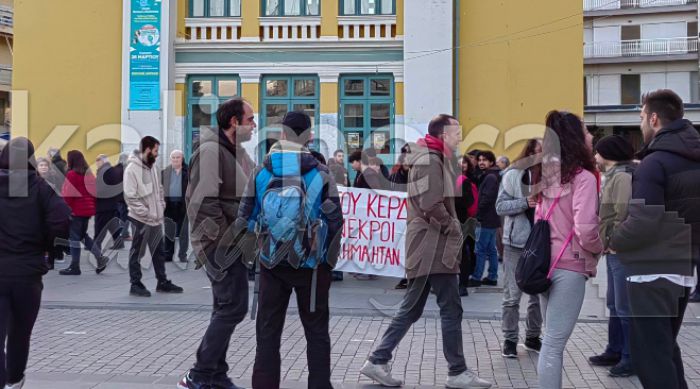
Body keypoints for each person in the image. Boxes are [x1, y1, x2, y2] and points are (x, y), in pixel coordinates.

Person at [360, 114, 492, 389]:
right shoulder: (431, 160)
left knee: (412, 309)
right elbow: (431, 204)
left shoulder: (432, 157)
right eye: (457, 132)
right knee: (450, 308)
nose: (460, 137)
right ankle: (457, 371)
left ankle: (377, 359)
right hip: (434, 247)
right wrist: (453, 227)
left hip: (429, 245)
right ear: (444, 135)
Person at [236, 111, 344, 389]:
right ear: (309, 136)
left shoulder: (261, 172)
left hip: (271, 263)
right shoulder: (321, 173)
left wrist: (255, 255)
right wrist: (327, 263)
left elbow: (245, 219)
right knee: (317, 332)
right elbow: (335, 221)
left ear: (282, 134)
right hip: (311, 266)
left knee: (267, 333)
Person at [610, 89, 700, 389]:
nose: (640, 126)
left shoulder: (655, 161)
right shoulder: (692, 157)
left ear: (654, 118)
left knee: (651, 358)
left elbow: (644, 221)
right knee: (664, 351)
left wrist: (615, 240)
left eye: (640, 119)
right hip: (683, 271)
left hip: (652, 272)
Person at [179, 97, 256, 389]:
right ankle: (199, 374)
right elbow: (203, 201)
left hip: (233, 242)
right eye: (250, 119)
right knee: (233, 307)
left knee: (225, 306)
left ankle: (215, 374)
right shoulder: (212, 150)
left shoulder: (237, 152)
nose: (254, 125)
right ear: (234, 122)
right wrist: (224, 242)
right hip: (219, 245)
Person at [536, 110, 603, 389]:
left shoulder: (545, 173)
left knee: (549, 339)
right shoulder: (583, 178)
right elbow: (586, 229)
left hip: (542, 264)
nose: (591, 136)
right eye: (586, 130)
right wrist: (601, 247)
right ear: (576, 138)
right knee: (553, 344)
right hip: (569, 266)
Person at [0, 138, 70, 389]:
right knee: (20, 333)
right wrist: (50, 250)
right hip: (27, 273)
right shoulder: (39, 186)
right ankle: (14, 380)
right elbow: (61, 219)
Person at [587, 135, 636, 377]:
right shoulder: (614, 176)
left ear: (608, 154)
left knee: (623, 306)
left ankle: (629, 357)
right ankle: (614, 349)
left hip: (620, 250)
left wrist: (614, 241)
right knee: (614, 304)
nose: (594, 157)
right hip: (612, 248)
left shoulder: (623, 176)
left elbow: (622, 213)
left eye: (597, 152)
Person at [495, 139, 543, 358]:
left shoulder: (555, 177)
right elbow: (500, 206)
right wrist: (525, 202)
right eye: (537, 151)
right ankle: (510, 339)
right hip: (516, 243)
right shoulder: (513, 175)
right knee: (512, 295)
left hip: (542, 243)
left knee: (537, 295)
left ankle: (533, 337)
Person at [123, 136, 183, 297]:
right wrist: (146, 212)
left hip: (155, 218)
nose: (157, 154)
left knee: (159, 251)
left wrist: (161, 206)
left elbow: (160, 189)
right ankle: (135, 284)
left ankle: (162, 282)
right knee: (137, 252)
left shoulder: (153, 168)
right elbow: (130, 196)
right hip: (140, 219)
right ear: (148, 149)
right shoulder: (132, 169)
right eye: (155, 150)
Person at [59, 150, 109, 276]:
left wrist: (65, 209)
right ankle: (100, 258)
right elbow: (94, 193)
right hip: (87, 211)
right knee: (82, 236)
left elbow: (68, 195)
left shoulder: (71, 174)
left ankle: (75, 266)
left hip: (75, 211)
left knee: (74, 238)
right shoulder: (89, 174)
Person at [468, 151, 501, 287]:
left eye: (485, 160)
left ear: (491, 162)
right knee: (491, 249)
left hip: (486, 218)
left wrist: (478, 214)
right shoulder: (491, 175)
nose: (481, 162)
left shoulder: (490, 177)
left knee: (480, 249)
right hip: (492, 218)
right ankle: (492, 276)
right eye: (480, 160)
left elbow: (486, 198)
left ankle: (476, 277)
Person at [455, 154, 479, 297]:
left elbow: (470, 204)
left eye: (464, 163)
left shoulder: (467, 181)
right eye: (459, 163)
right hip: (458, 220)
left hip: (463, 221)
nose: (462, 165)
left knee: (463, 253)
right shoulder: (453, 180)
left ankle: (462, 284)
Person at [162, 150, 189, 263]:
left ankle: (182, 255)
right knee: (169, 232)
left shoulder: (189, 172)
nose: (175, 159)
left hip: (183, 206)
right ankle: (168, 255)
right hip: (169, 206)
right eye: (173, 157)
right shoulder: (165, 172)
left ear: (182, 158)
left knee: (183, 233)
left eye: (178, 157)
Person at [94, 154, 122, 252]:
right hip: (111, 203)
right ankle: (119, 242)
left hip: (103, 204)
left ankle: (96, 244)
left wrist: (94, 193)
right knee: (111, 224)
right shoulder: (110, 170)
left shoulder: (103, 171)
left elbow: (101, 188)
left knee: (100, 225)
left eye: (97, 160)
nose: (96, 163)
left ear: (101, 161)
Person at [112, 154, 128, 247]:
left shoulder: (114, 169)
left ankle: (121, 234)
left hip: (115, 198)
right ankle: (123, 233)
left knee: (118, 217)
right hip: (124, 198)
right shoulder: (126, 170)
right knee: (124, 217)